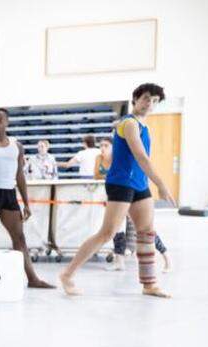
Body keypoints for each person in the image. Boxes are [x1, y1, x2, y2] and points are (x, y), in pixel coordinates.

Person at [59, 83, 174, 298]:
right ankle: (67, 274)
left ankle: (149, 284)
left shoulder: (144, 126)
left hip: (139, 184)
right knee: (107, 233)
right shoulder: (129, 123)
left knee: (147, 233)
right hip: (121, 183)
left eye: (155, 101)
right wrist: (161, 183)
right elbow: (141, 156)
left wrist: (151, 182)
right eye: (147, 98)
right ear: (135, 99)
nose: (150, 103)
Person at [0, 108, 54, 288]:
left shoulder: (17, 146)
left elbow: (19, 175)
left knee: (19, 238)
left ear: (7, 122)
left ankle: (33, 279)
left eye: (0, 120)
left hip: (9, 195)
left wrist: (26, 203)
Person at [95, 139, 171, 272]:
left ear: (113, 147)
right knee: (117, 228)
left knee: (144, 229)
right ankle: (119, 261)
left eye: (106, 145)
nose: (102, 148)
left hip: (130, 195)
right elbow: (96, 175)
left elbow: (126, 175)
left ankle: (167, 258)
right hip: (114, 195)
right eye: (100, 145)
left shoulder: (119, 157)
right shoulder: (98, 158)